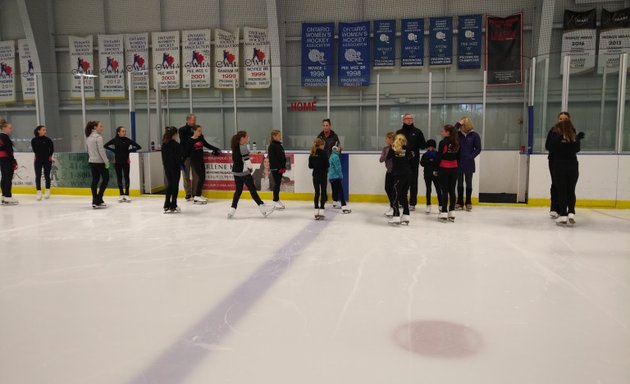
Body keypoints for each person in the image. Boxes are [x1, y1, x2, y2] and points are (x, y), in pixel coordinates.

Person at [228, 131, 275, 219]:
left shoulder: (235, 146)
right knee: (252, 190)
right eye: (247, 137)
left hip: (236, 173)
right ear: (242, 138)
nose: (248, 138)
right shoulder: (243, 148)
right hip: (244, 173)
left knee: (238, 191)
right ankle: (262, 207)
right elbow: (247, 160)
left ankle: (232, 209)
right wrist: (251, 168)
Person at [546, 120, 584, 225]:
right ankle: (571, 212)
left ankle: (563, 215)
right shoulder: (574, 138)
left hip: (559, 167)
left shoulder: (557, 139)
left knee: (562, 191)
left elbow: (550, 147)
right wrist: (577, 139)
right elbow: (577, 149)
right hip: (573, 167)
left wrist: (555, 137)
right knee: (571, 190)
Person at [396, 113, 426, 211]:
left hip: (414, 162)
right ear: (403, 120)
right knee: (401, 182)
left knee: (413, 182)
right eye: (407, 118)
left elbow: (423, 145)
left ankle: (412, 203)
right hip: (401, 162)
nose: (409, 120)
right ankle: (401, 201)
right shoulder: (399, 133)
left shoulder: (417, 132)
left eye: (410, 118)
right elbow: (396, 147)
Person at [184, 125, 221, 204]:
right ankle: (197, 195)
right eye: (199, 131)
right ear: (194, 131)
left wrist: (215, 149)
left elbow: (207, 145)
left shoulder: (200, 138)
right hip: (194, 161)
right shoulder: (189, 141)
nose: (200, 132)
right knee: (200, 177)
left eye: (201, 131)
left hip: (201, 160)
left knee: (203, 177)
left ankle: (198, 194)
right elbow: (187, 153)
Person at [104, 126, 141, 202]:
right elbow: (105, 145)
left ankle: (127, 194)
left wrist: (129, 151)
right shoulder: (115, 140)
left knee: (127, 177)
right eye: (123, 131)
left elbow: (138, 146)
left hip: (126, 161)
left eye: (125, 131)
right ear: (118, 132)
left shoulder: (127, 140)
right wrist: (114, 151)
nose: (124, 132)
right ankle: (121, 194)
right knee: (119, 178)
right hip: (117, 162)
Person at [545, 112, 571, 219]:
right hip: (554, 161)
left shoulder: (571, 132)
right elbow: (548, 146)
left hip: (568, 162)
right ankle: (554, 208)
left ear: (569, 120)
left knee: (566, 185)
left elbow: (574, 148)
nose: (562, 121)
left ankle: (563, 208)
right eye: (560, 119)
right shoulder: (553, 131)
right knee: (555, 183)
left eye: (565, 119)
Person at [455, 117, 482, 211]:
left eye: (463, 124)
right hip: (458, 162)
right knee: (459, 182)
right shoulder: (457, 134)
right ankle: (459, 202)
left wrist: (470, 157)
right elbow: (451, 133)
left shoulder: (474, 135)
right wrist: (458, 123)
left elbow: (478, 149)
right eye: (461, 124)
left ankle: (468, 202)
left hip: (469, 163)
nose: (461, 126)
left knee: (468, 182)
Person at [436, 124, 460, 222]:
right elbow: (458, 157)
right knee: (452, 190)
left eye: (443, 131)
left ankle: (444, 212)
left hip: (444, 169)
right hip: (454, 169)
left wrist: (436, 169)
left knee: (444, 191)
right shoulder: (456, 142)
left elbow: (439, 156)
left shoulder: (443, 142)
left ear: (447, 132)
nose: (441, 133)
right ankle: (452, 212)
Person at [387, 134, 411, 225]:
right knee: (403, 194)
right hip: (408, 174)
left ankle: (396, 215)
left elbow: (388, 157)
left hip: (398, 175)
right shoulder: (407, 148)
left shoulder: (393, 148)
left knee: (395, 195)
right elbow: (411, 157)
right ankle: (406, 215)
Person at [85, 121, 110, 208]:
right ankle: (98, 199)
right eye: (101, 126)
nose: (102, 128)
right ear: (95, 127)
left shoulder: (88, 137)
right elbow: (101, 151)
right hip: (99, 162)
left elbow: (88, 151)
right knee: (106, 179)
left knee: (95, 180)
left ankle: (95, 200)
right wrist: (106, 162)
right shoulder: (98, 137)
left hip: (92, 161)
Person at [161, 126, 183, 213]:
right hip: (175, 167)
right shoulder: (176, 145)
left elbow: (163, 157)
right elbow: (179, 158)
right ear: (174, 134)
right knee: (175, 186)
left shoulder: (164, 144)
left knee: (170, 185)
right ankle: (173, 205)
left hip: (167, 167)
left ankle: (166, 205)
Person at [31, 125, 54, 201]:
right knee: (38, 175)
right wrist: (37, 156)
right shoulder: (33, 140)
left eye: (45, 130)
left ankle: (47, 191)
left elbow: (52, 149)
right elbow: (34, 150)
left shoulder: (48, 140)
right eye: (43, 130)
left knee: (47, 175)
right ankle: (38, 192)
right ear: (39, 131)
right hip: (38, 160)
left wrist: (50, 156)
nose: (45, 131)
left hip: (47, 160)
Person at [420, 139, 442, 214]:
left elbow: (439, 163)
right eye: (428, 147)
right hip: (427, 174)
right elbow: (422, 163)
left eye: (431, 147)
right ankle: (428, 205)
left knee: (438, 190)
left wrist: (432, 161)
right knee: (428, 190)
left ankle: (441, 205)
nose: (430, 149)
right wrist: (429, 161)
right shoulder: (425, 155)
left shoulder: (438, 154)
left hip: (436, 174)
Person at [309, 138, 328, 219]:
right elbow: (327, 165)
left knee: (317, 193)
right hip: (323, 175)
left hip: (315, 176)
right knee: (323, 192)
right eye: (323, 145)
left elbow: (310, 166)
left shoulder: (312, 153)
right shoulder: (324, 153)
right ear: (321, 145)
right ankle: (322, 210)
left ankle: (316, 211)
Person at [178, 113, 197, 201]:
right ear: (188, 120)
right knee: (186, 175)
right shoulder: (182, 130)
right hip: (185, 155)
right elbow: (186, 141)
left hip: (194, 155)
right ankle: (188, 193)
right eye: (193, 120)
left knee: (195, 175)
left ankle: (195, 192)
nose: (194, 122)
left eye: (195, 120)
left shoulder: (196, 129)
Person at [267, 129, 286, 209]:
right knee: (277, 184)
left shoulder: (279, 145)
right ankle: (275, 200)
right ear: (274, 136)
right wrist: (279, 168)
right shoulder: (272, 146)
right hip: (276, 168)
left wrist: (283, 167)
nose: (280, 137)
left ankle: (276, 199)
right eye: (278, 135)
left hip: (280, 168)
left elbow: (282, 157)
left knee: (278, 184)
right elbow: (273, 159)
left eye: (280, 135)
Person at [0, 119, 18, 205]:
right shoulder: (5, 137)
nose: (11, 129)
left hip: (1, 159)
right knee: (8, 178)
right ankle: (8, 197)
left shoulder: (0, 136)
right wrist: (13, 161)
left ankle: (4, 196)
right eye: (9, 128)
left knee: (4, 177)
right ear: (3, 128)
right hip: (6, 159)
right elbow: (8, 151)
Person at [328, 145, 351, 214]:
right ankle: (344, 206)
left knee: (334, 190)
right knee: (340, 191)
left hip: (331, 177)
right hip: (336, 176)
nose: (340, 149)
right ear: (336, 149)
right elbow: (338, 167)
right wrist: (340, 176)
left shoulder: (331, 156)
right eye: (338, 148)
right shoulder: (336, 157)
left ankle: (335, 202)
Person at [379, 132, 396, 217]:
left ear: (391, 139)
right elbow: (381, 159)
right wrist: (386, 155)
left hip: (396, 172)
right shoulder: (385, 149)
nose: (386, 140)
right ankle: (392, 206)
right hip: (389, 171)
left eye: (387, 138)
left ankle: (394, 207)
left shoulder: (397, 148)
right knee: (387, 188)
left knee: (394, 190)